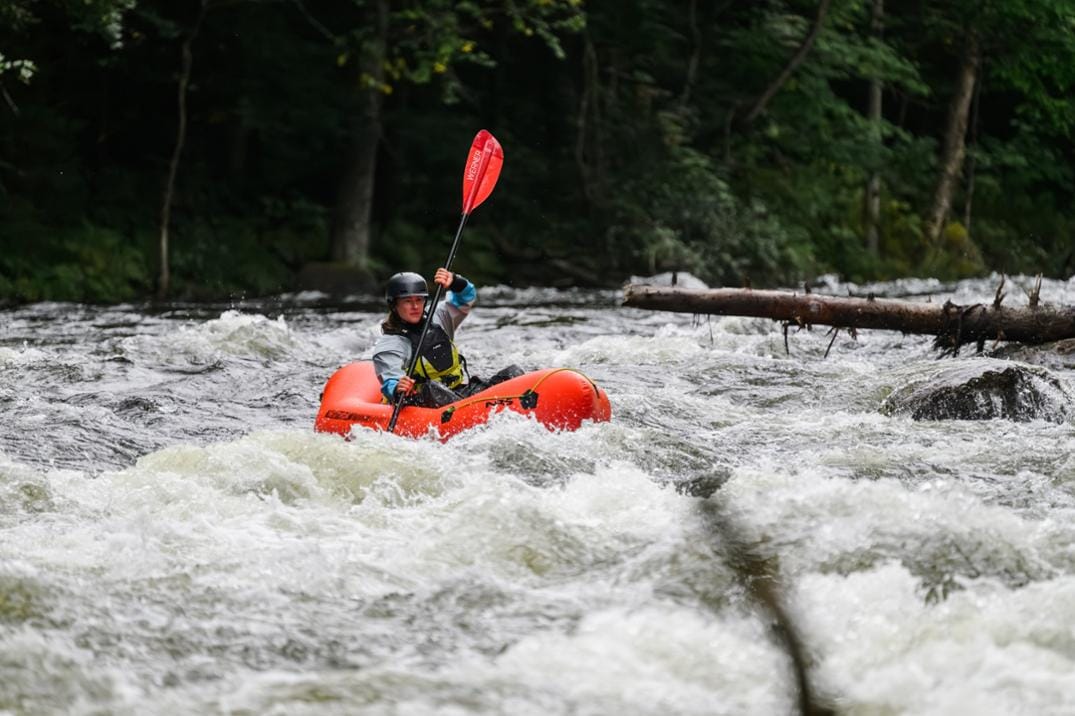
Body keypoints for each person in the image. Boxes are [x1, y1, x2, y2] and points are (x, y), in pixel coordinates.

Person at [372, 268, 522, 408]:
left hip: (458, 392)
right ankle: (471, 409)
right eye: (407, 301)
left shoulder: (438, 316)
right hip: (424, 402)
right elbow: (390, 381)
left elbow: (466, 297)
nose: (415, 306)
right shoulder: (389, 345)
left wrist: (455, 282)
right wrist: (398, 387)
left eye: (419, 300)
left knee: (512, 373)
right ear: (394, 305)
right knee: (432, 389)